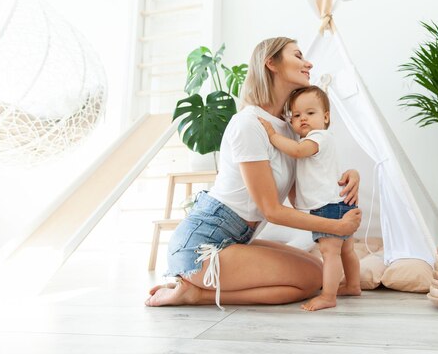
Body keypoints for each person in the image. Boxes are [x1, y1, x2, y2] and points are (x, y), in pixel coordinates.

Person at [146, 37, 361, 309]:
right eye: (297, 56)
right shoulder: (249, 124)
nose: (308, 63)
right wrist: (337, 227)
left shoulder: (288, 127)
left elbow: (300, 197)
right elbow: (271, 210)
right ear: (271, 63)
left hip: (236, 239)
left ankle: (197, 287)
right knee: (311, 279)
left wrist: (348, 176)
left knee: (318, 271)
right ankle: (195, 293)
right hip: (202, 247)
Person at [258, 86, 362, 311]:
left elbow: (296, 150)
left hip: (328, 207)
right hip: (339, 202)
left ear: (326, 117)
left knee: (329, 252)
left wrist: (273, 135)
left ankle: (328, 296)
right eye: (296, 115)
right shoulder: (319, 139)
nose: (302, 118)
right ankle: (353, 285)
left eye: (310, 113)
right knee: (346, 250)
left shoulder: (318, 137)